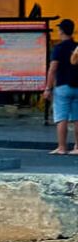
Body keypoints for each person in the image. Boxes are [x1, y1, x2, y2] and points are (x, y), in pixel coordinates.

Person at [49, 20, 78, 154]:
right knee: (77, 118)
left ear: (61, 31)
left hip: (62, 86)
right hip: (77, 85)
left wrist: (48, 88)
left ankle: (62, 147)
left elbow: (53, 68)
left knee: (62, 118)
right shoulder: (76, 46)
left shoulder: (59, 48)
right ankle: (77, 147)